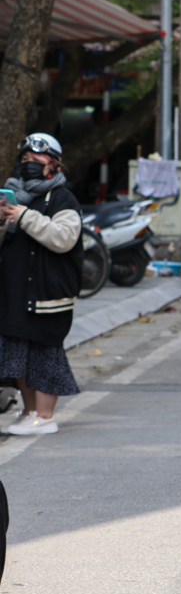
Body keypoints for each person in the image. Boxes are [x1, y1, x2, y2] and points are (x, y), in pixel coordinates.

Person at [0, 133, 83, 435]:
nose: (29, 165)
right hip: (16, 295)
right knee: (19, 354)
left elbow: (63, 238)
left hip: (49, 295)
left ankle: (45, 417)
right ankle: (29, 411)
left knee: (45, 354)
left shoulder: (63, 200)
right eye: (25, 160)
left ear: (54, 165)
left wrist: (24, 217)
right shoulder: (17, 198)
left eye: (37, 160)